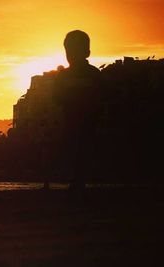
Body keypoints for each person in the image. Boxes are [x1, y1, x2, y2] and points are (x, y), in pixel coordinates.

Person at [53, 30, 102, 199]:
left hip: (81, 121)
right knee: (80, 152)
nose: (70, 55)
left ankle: (77, 182)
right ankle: (77, 182)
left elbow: (57, 98)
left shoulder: (66, 77)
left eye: (72, 51)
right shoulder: (94, 74)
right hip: (80, 121)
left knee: (79, 152)